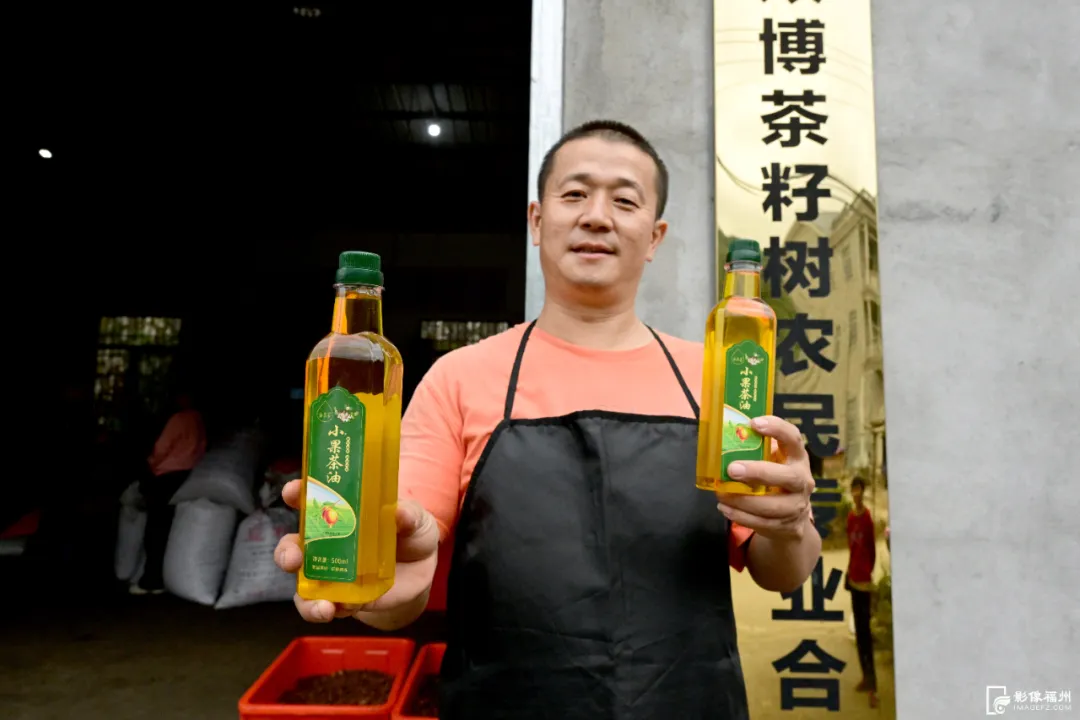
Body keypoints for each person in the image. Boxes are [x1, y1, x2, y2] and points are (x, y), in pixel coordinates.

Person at [274, 120, 821, 719]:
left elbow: (782, 573)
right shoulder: (459, 378)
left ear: (655, 235)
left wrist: (790, 523)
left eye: (625, 201)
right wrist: (376, 586)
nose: (596, 217)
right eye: (575, 194)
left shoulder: (718, 379)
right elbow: (401, 577)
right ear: (537, 221)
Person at [130, 388, 207, 595]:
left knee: (156, 528)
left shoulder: (179, 419)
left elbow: (162, 447)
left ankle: (151, 580)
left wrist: (151, 465)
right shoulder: (198, 419)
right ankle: (163, 577)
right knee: (169, 528)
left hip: (166, 476)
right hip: (186, 475)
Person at [845, 476, 878, 708]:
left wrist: (866, 571)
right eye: (853, 489)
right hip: (853, 579)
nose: (856, 493)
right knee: (859, 631)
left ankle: (872, 681)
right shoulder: (850, 518)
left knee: (865, 633)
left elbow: (871, 550)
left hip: (864, 581)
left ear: (863, 492)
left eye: (859, 489)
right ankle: (866, 676)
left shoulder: (867, 519)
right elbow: (851, 547)